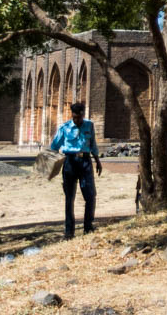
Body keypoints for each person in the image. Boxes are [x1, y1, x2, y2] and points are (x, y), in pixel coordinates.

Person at [48, 101, 103, 239]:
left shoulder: (89, 125)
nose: (77, 120)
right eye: (74, 117)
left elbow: (93, 144)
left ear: (83, 115)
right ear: (72, 116)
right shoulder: (65, 128)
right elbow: (54, 146)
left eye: (79, 117)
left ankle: (88, 227)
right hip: (70, 162)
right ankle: (69, 231)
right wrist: (50, 164)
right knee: (69, 197)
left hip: (85, 162)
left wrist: (97, 161)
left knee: (90, 196)